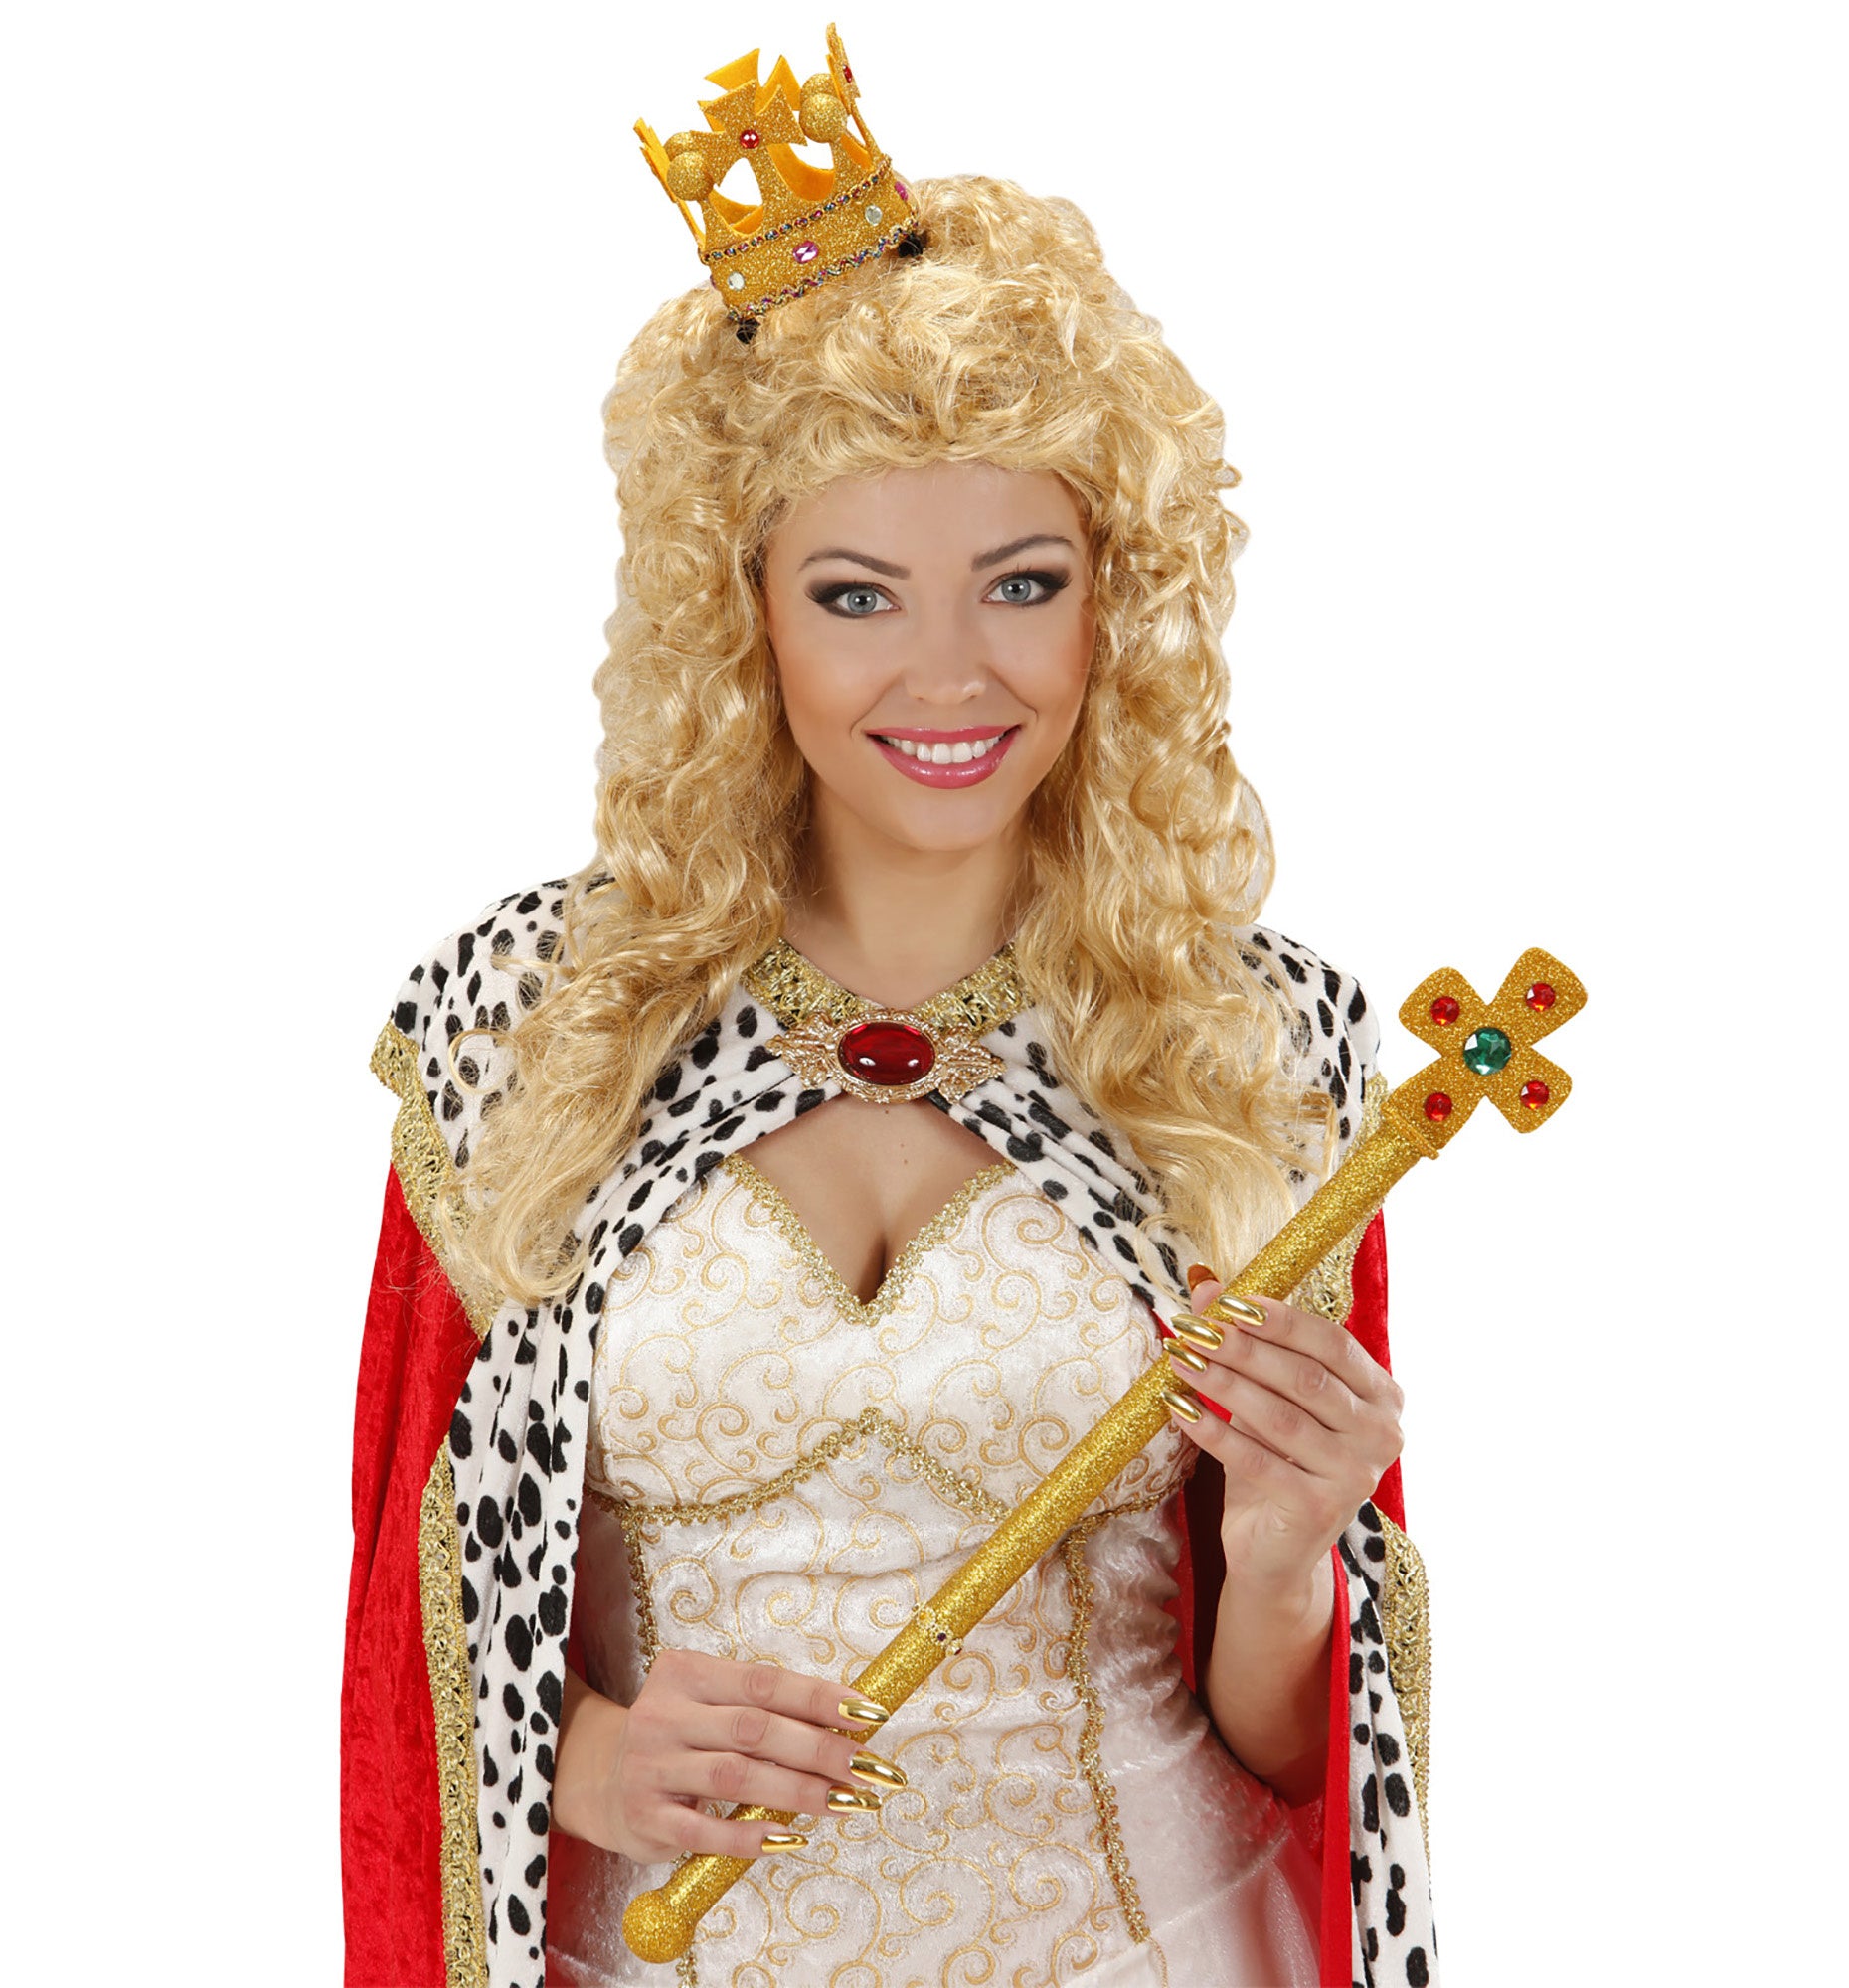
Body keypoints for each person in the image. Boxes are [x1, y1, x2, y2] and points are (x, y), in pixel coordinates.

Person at [343, 31, 1437, 1988]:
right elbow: (406, 1620)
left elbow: (1292, 1754)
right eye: (857, 595)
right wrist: (589, 1759)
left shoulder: (1249, 1048)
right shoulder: (531, 1027)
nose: (951, 674)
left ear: (1116, 598)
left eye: (1022, 583)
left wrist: (1285, 1548)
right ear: (741, 607)